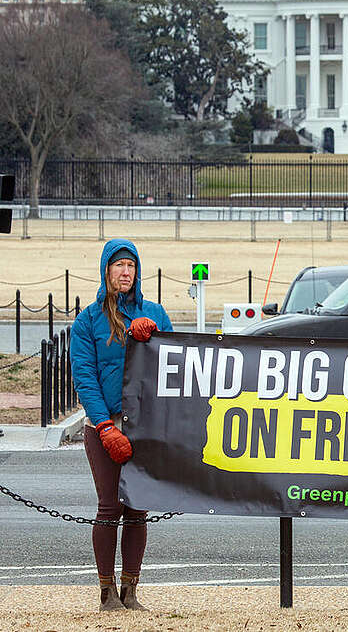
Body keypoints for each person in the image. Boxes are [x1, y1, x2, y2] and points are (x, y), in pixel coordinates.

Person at [70, 239, 172, 611]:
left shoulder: (156, 312)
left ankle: (131, 590)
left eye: (130, 266)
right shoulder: (87, 321)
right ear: (106, 271)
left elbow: (173, 366)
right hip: (106, 428)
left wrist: (156, 337)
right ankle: (106, 591)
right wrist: (104, 426)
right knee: (109, 508)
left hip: (144, 425)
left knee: (138, 508)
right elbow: (85, 377)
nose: (125, 272)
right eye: (118, 266)